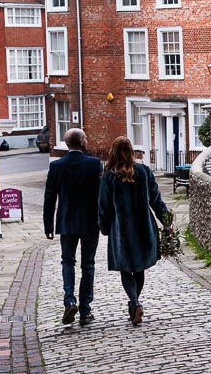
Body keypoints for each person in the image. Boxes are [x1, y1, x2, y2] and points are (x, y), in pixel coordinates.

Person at [97, 135, 172, 327]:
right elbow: (156, 199)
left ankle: (135, 302)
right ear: (131, 151)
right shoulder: (144, 171)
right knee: (139, 268)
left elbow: (103, 206)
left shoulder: (109, 177)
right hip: (143, 226)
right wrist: (166, 222)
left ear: (113, 152)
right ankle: (135, 304)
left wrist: (104, 227)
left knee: (125, 268)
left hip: (120, 230)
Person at [43, 127, 103, 325]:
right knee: (88, 265)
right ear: (82, 141)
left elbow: (49, 198)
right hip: (90, 222)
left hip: (66, 221)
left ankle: (69, 300)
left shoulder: (57, 166)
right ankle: (85, 310)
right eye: (86, 138)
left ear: (68, 144)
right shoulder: (94, 165)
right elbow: (101, 197)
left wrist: (48, 224)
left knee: (67, 262)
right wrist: (105, 220)